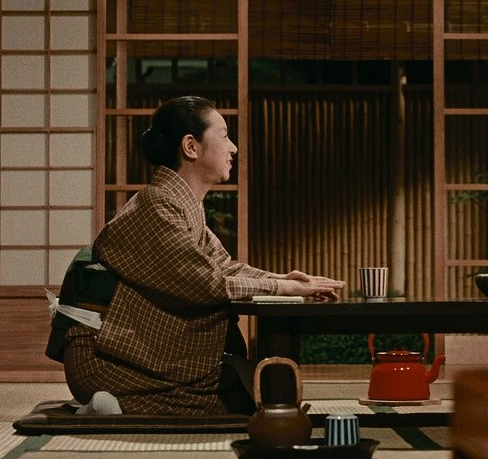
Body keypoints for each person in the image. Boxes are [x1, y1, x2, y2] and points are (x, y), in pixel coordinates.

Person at [63, 96, 345, 416]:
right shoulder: (157, 205)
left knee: (246, 385)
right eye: (223, 135)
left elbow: (224, 268)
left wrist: (282, 279)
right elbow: (206, 283)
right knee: (238, 395)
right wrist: (281, 289)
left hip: (132, 349)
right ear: (191, 147)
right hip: (104, 358)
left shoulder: (180, 204)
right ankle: (114, 404)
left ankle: (115, 407)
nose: (233, 147)